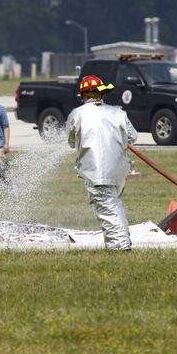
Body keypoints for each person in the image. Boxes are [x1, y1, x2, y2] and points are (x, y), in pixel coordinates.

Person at [66, 75, 137, 250]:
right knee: (113, 203)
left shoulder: (78, 114)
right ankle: (124, 239)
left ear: (83, 96)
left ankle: (120, 247)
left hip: (96, 170)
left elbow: (71, 141)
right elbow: (133, 136)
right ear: (101, 94)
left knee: (106, 207)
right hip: (119, 169)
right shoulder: (118, 112)